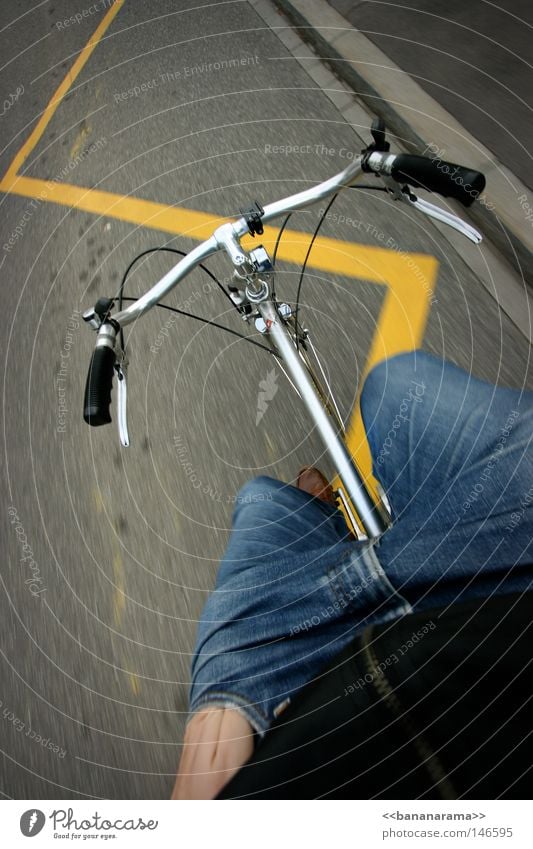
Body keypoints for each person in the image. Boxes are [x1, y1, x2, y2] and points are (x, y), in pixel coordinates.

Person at [171, 350, 533, 799]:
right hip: (478, 625)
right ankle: (396, 523)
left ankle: (331, 522)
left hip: (260, 715)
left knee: (263, 501)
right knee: (399, 385)